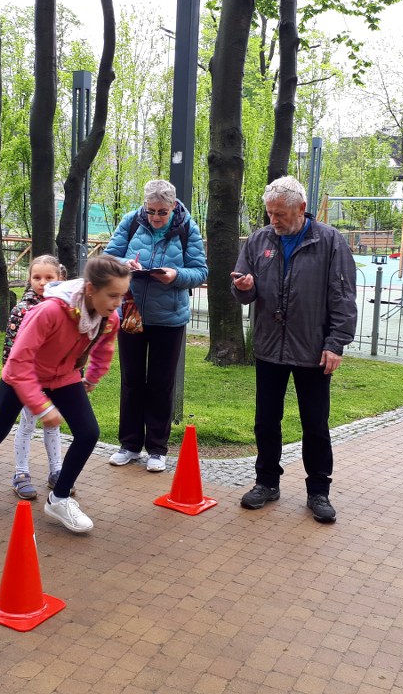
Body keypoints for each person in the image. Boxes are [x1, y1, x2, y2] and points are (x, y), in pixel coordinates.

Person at [0, 255, 130, 533]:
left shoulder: (109, 316)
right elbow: (18, 362)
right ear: (91, 290)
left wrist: (92, 377)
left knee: (88, 433)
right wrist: (42, 406)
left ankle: (59, 499)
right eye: (113, 295)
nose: (118, 302)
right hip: (22, 375)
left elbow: (104, 348)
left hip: (64, 377)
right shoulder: (49, 311)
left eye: (122, 295)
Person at [231, 176, 358, 524]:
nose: (274, 220)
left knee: (314, 423)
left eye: (281, 214)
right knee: (265, 421)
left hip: (313, 349)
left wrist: (335, 343)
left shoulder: (329, 241)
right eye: (270, 213)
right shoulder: (259, 240)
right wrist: (243, 287)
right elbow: (243, 291)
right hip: (269, 347)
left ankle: (318, 492)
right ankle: (266, 483)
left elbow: (343, 297)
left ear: (301, 208)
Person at [102, 180, 208, 472]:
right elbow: (108, 257)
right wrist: (125, 264)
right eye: (151, 211)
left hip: (169, 318)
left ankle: (157, 449)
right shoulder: (131, 221)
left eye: (162, 212)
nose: (156, 217)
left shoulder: (187, 228)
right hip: (131, 312)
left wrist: (175, 276)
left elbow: (200, 271)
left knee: (162, 383)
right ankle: (129, 444)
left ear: (173, 207)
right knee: (132, 380)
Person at [2, 255, 69, 499]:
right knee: (27, 425)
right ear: (29, 279)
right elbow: (11, 349)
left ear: (60, 278)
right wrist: (14, 380)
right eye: (36, 277)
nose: (42, 282)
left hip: (56, 380)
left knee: (53, 424)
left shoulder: (68, 308)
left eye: (49, 277)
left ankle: (57, 471)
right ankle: (21, 473)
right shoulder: (21, 310)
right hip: (29, 381)